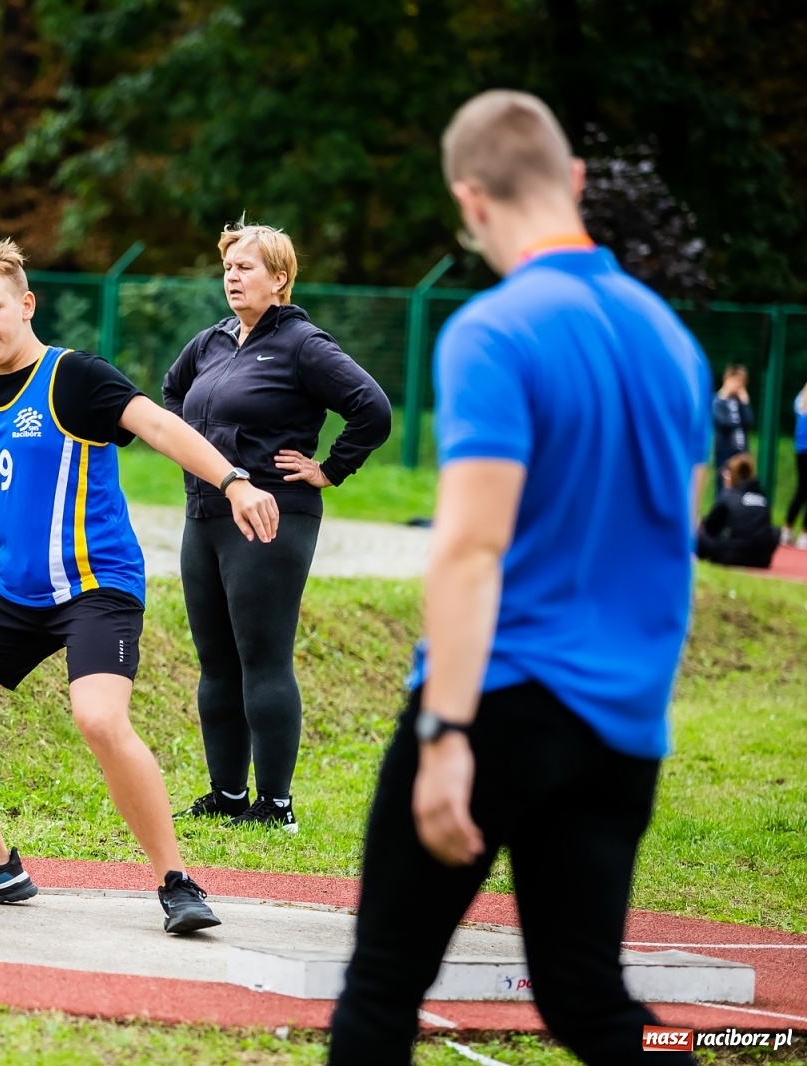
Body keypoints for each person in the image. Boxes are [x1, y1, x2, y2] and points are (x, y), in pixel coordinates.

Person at [329, 91, 708, 1065]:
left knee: (380, 990)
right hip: (622, 725)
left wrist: (444, 731)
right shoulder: (672, 339)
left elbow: (468, 547)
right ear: (573, 180)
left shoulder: (494, 332)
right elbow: (683, 530)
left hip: (500, 702)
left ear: (469, 198)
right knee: (585, 997)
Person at [0, 238, 281, 935]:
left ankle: (176, 882)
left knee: (99, 719)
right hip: (17, 593)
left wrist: (233, 481)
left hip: (95, 586)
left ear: (27, 304)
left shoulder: (73, 377)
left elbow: (159, 424)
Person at [165, 222, 390, 832]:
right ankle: (228, 795)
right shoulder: (211, 342)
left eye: (245, 267)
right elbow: (169, 398)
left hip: (273, 518)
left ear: (280, 278)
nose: (232, 277)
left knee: (262, 658)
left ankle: (275, 804)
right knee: (215, 662)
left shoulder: (302, 345)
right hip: (205, 513)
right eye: (228, 267)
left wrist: (329, 469)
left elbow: (373, 409)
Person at [698, 453, 777, 568]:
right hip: (762, 559)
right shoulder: (762, 497)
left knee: (699, 532)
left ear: (730, 476)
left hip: (733, 556)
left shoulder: (728, 497)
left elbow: (710, 528)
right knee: (774, 530)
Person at [712, 364, 753, 473]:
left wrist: (745, 403)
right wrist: (739, 423)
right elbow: (722, 423)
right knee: (724, 484)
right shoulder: (717, 401)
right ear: (727, 379)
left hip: (741, 450)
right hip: (725, 450)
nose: (739, 385)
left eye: (742, 382)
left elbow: (749, 421)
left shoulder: (740, 402)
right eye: (736, 381)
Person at [784, 382, 807, 549]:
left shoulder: (800, 398)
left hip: (800, 449)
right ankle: (804, 534)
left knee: (802, 489)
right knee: (803, 490)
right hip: (804, 448)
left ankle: (787, 529)